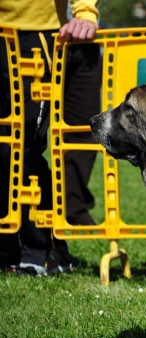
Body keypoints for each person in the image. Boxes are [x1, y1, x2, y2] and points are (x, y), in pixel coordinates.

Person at [0, 0, 101, 274]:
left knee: (23, 147)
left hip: (34, 34)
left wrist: (85, 10)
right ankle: (7, 250)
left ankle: (43, 249)